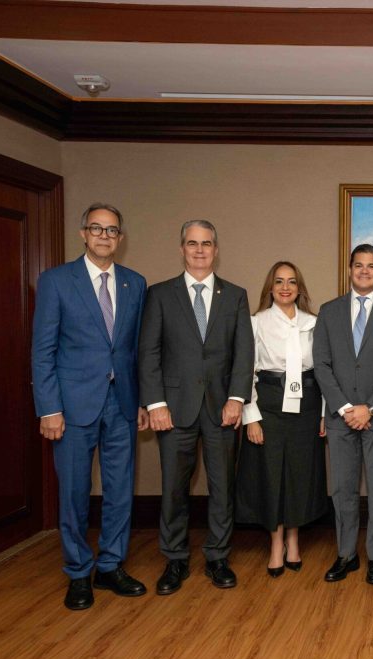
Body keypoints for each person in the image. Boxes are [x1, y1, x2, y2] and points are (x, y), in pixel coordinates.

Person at [31, 202, 148, 610]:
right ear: (83, 234)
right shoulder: (56, 281)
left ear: (120, 238)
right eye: (96, 228)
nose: (104, 236)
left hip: (122, 404)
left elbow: (135, 350)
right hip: (72, 407)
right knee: (74, 493)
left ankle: (110, 566)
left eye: (111, 230)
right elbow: (42, 350)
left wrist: (141, 401)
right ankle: (78, 571)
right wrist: (49, 408)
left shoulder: (135, 283)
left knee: (120, 491)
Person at [138, 219, 254, 594]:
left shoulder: (235, 295)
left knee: (223, 487)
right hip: (173, 409)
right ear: (182, 249)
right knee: (174, 488)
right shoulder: (160, 294)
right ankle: (175, 558)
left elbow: (244, 353)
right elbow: (149, 352)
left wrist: (237, 398)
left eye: (206, 244)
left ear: (216, 250)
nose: (199, 250)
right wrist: (156, 403)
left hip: (222, 408)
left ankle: (218, 556)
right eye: (192, 243)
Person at [312, 244, 373, 585]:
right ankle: (346, 554)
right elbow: (322, 365)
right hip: (340, 418)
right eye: (359, 265)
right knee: (343, 490)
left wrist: (368, 408)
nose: (365, 271)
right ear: (350, 269)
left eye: (371, 266)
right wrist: (345, 408)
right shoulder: (329, 311)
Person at [236, 261, 327, 577]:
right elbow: (246, 371)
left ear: (299, 288)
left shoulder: (314, 323)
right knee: (271, 474)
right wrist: (251, 417)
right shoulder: (256, 322)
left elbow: (325, 371)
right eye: (279, 281)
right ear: (270, 288)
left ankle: (293, 540)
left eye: (291, 282)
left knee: (300, 474)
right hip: (269, 406)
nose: (285, 287)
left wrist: (325, 413)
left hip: (307, 407)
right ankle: (275, 543)